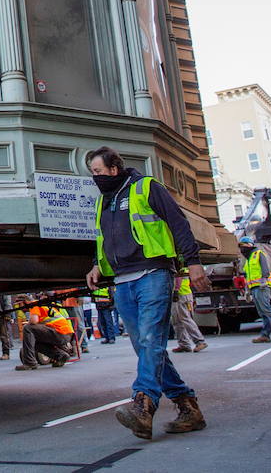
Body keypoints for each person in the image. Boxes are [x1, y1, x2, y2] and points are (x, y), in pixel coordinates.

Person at [84, 146, 207, 440]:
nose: (95, 178)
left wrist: (193, 263)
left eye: (98, 172)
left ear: (114, 169)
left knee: (152, 340)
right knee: (145, 346)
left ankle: (142, 404)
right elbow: (104, 239)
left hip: (153, 273)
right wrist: (96, 266)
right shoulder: (104, 201)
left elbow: (178, 223)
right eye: (92, 174)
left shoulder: (146, 188)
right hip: (123, 280)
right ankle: (186, 404)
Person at [240, 236, 271, 343]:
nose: (242, 249)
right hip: (254, 288)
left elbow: (265, 269)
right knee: (262, 312)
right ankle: (265, 335)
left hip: (262, 287)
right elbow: (248, 276)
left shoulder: (258, 254)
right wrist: (247, 290)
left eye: (243, 246)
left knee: (266, 309)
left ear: (250, 245)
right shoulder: (248, 259)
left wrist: (263, 281)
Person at [15, 299, 75, 370]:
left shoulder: (34, 305)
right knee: (35, 342)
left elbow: (34, 321)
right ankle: (61, 356)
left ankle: (30, 363)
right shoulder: (41, 304)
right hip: (64, 334)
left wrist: (28, 323)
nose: (19, 308)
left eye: (19, 305)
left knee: (27, 328)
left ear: (25, 302)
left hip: (60, 332)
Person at [170, 273, 208, 353]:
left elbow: (178, 277)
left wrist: (176, 290)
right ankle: (184, 345)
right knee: (176, 321)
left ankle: (200, 342)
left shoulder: (179, 264)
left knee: (185, 319)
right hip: (178, 295)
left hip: (182, 295)